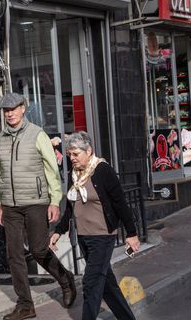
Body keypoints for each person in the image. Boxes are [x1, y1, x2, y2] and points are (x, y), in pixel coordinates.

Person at [0, 92, 76, 320]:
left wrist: (54, 200)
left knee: (39, 249)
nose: (9, 113)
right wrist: (1, 203)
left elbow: (52, 169)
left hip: (35, 203)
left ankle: (65, 280)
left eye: (14, 109)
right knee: (14, 255)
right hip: (10, 206)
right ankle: (25, 305)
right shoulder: (0, 139)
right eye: (6, 110)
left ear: (23, 108)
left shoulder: (37, 135)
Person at [49, 132, 140, 320]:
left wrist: (131, 233)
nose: (71, 158)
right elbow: (70, 207)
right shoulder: (73, 174)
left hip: (102, 236)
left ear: (88, 151)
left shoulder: (103, 170)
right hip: (84, 236)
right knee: (107, 285)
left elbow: (120, 203)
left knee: (90, 282)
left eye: (75, 154)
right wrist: (59, 231)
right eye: (69, 155)